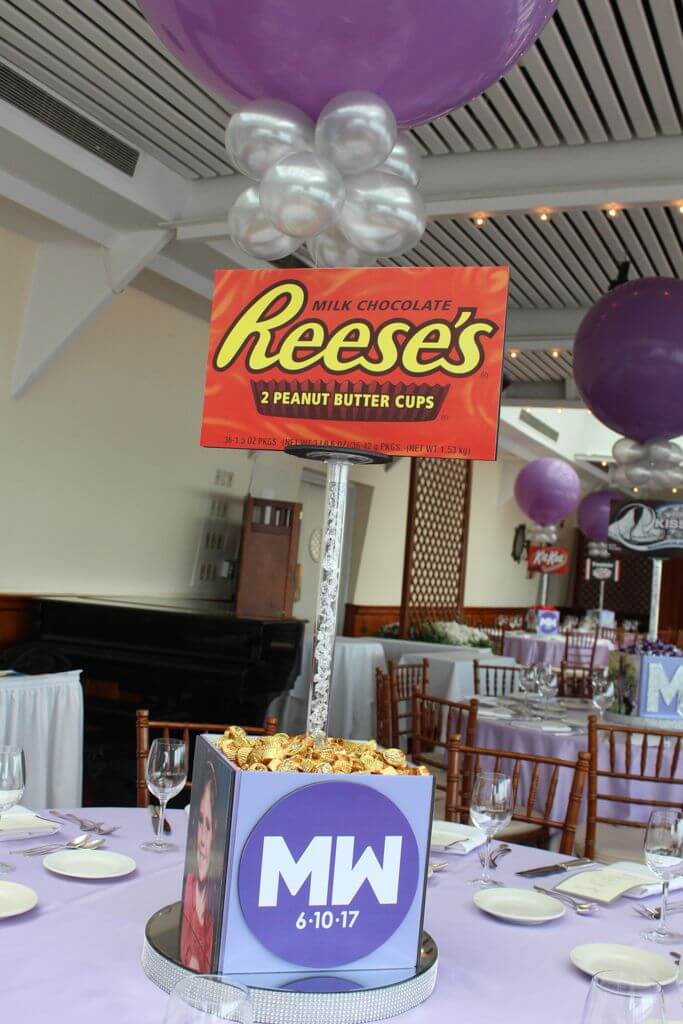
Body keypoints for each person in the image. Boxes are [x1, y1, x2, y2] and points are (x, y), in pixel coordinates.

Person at [180, 759, 219, 972]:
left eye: (209, 826)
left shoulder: (221, 913)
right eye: (201, 822)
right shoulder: (190, 884)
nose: (202, 839)